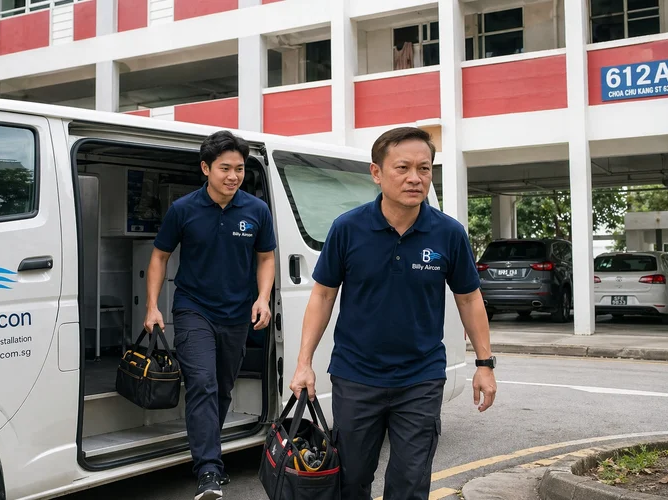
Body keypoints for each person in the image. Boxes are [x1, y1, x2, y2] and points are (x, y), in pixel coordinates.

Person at [288, 127, 497, 500]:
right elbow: (322, 296)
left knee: (410, 482)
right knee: (350, 480)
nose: (415, 178)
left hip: (420, 377)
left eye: (424, 168)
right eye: (402, 167)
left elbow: (469, 298)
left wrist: (484, 363)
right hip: (356, 376)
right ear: (376, 173)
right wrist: (304, 362)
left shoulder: (448, 233)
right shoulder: (347, 229)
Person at [144, 130, 276, 500]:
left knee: (221, 388)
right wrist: (153, 305)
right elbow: (159, 256)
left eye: (239, 168)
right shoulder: (184, 209)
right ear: (206, 168)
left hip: (236, 314)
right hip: (193, 309)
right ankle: (209, 471)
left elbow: (266, 258)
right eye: (224, 168)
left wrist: (263, 298)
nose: (233, 176)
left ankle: (208, 453)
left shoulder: (256, 210)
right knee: (202, 383)